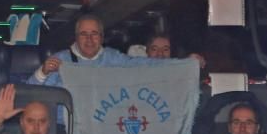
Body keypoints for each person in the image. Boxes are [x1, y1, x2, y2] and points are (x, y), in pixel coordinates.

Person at [28, 15, 199, 88]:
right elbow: (31, 92)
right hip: (65, 129)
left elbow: (144, 64)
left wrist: (186, 63)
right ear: (76, 37)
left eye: (94, 34)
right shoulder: (61, 60)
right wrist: (43, 72)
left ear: (102, 37)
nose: (89, 39)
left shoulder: (112, 58)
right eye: (84, 34)